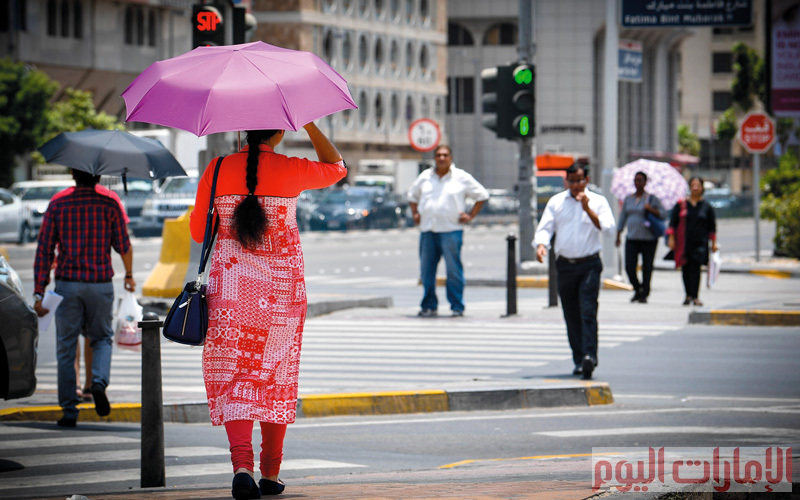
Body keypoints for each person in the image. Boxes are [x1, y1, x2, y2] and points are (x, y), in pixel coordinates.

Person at [189, 123, 345, 500]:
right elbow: (338, 167)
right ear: (278, 134)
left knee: (235, 375)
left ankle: (241, 465)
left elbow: (198, 232)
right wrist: (308, 123)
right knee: (276, 377)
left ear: (243, 131)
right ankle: (271, 473)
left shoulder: (217, 167)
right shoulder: (293, 168)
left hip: (230, 295)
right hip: (281, 295)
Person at [32, 169, 136, 428]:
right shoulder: (110, 203)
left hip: (67, 286)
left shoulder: (58, 203)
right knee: (101, 338)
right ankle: (98, 382)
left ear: (73, 175)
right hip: (100, 286)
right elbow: (124, 245)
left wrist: (39, 290)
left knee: (66, 346)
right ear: (98, 177)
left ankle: (69, 410)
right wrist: (130, 274)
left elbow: (44, 250)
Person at [532, 163, 616, 379]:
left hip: (589, 264)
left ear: (586, 180)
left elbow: (608, 229)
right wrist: (541, 245)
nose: (576, 185)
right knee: (571, 314)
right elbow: (545, 228)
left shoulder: (598, 201)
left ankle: (590, 356)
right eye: (572, 181)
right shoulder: (557, 202)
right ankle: (579, 359)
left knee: (587, 310)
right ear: (566, 182)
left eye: (580, 180)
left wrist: (587, 208)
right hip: (565, 265)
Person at [407, 145, 489, 318]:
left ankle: (457, 306)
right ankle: (429, 305)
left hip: (451, 230)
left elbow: (482, 195)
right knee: (426, 271)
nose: (442, 158)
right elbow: (412, 196)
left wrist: (470, 215)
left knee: (453, 271)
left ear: (451, 157)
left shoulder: (461, 177)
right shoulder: (425, 177)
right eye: (438, 155)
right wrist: (415, 213)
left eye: (445, 155)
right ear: (434, 158)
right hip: (428, 229)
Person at [666, 176, 717, 307]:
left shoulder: (707, 206)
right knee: (685, 268)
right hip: (684, 242)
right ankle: (687, 294)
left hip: (700, 242)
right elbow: (673, 223)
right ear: (689, 187)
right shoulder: (681, 204)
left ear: (702, 188)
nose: (695, 188)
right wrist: (671, 239)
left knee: (696, 269)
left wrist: (714, 243)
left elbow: (712, 227)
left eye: (698, 185)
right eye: (693, 185)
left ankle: (695, 296)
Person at [615, 172, 665, 304]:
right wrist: (618, 234)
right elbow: (622, 217)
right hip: (632, 237)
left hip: (648, 239)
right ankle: (637, 289)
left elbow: (663, 214)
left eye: (640, 180)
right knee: (629, 267)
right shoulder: (628, 199)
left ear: (645, 182)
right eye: (636, 180)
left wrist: (651, 209)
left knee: (647, 267)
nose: (638, 183)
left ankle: (645, 293)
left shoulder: (652, 199)